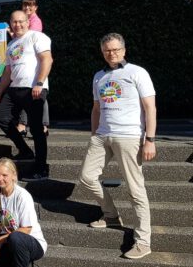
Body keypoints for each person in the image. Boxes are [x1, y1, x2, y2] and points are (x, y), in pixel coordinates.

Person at [78, 33, 156, 259]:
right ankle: (111, 214)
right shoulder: (98, 77)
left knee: (135, 189)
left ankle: (143, 241)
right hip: (102, 136)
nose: (111, 53)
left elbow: (150, 107)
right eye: (107, 50)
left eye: (115, 49)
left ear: (123, 50)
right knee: (86, 177)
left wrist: (149, 140)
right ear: (102, 52)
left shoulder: (137, 72)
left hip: (130, 136)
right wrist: (94, 135)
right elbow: (96, 108)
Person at [0, 10, 53, 181]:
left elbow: (47, 59)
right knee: (2, 117)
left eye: (21, 21)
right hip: (15, 88)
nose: (18, 25)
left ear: (27, 22)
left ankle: (41, 168)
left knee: (37, 129)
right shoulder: (11, 45)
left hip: (33, 88)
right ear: (10, 24)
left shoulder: (37, 37)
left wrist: (39, 83)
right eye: (14, 22)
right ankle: (25, 150)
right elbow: (7, 73)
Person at [0, 158, 46, 267]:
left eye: (4, 175)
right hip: (8, 239)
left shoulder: (22, 196)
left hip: (32, 242)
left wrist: (0, 240)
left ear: (13, 175)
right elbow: (0, 221)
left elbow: (27, 229)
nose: (0, 178)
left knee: (15, 237)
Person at [17, 0, 50, 138]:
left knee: (38, 95)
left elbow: (26, 40)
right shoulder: (24, 21)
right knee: (30, 95)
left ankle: (40, 125)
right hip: (26, 64)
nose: (27, 9)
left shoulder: (35, 22)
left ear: (35, 7)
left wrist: (13, 32)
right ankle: (29, 125)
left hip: (35, 65)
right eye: (25, 6)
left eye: (30, 6)